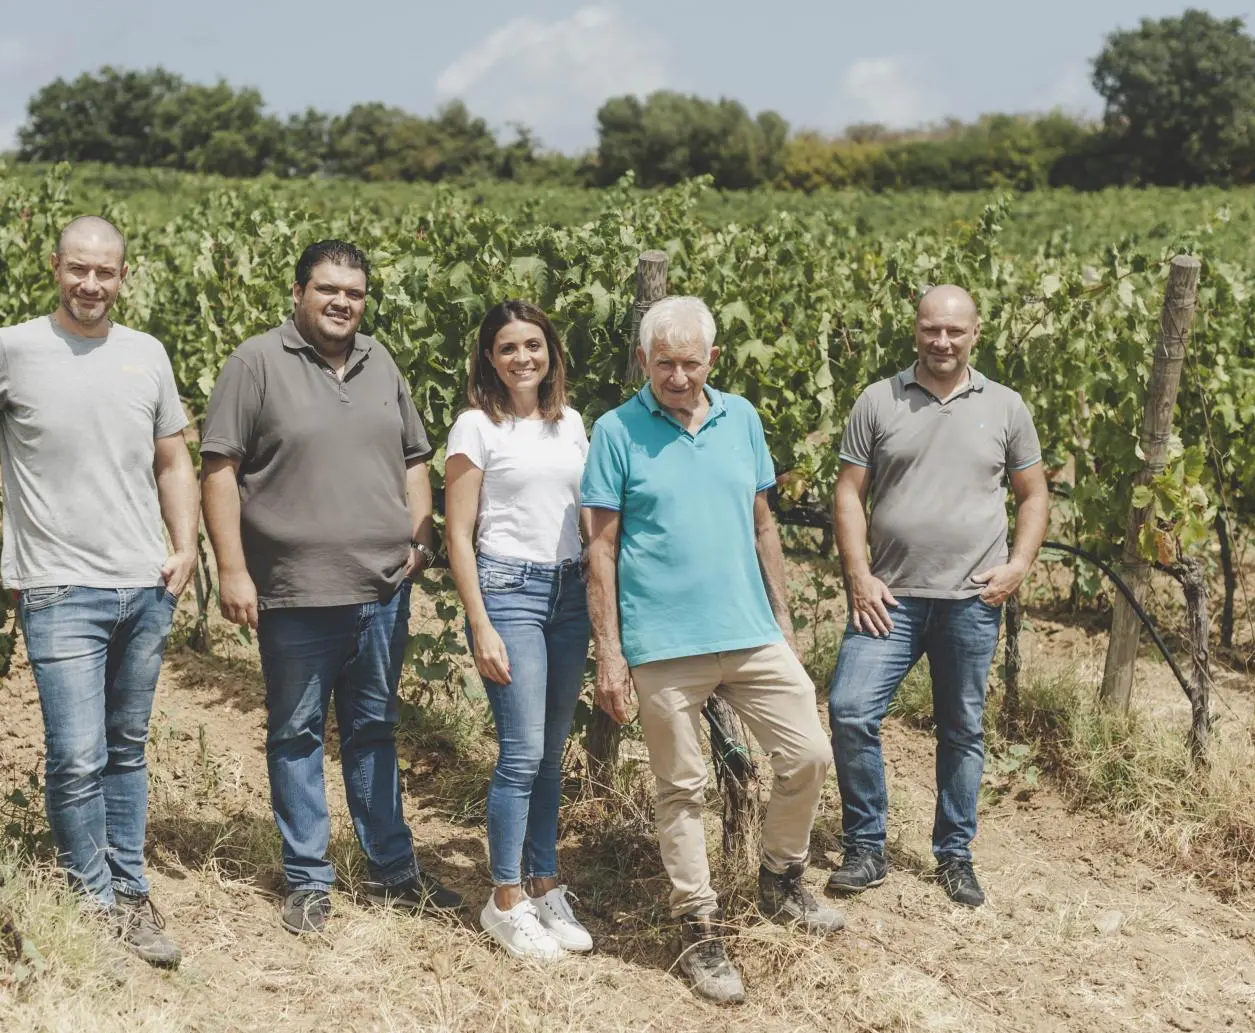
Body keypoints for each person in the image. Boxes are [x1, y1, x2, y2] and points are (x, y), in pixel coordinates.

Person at [0, 216, 196, 969]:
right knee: (76, 753)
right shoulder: (12, 348)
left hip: (144, 583)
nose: (91, 283)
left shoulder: (148, 355)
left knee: (126, 749)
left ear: (123, 276)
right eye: (78, 269)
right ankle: (93, 902)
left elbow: (173, 460)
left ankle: (131, 893)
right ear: (55, 268)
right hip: (58, 586)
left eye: (104, 272)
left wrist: (186, 547)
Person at [581, 295, 843, 1005]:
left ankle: (782, 879)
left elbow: (763, 524)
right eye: (663, 362)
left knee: (810, 753)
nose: (677, 375)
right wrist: (610, 651)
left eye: (690, 363)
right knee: (683, 787)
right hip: (663, 642)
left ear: (712, 362)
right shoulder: (615, 431)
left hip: (750, 629)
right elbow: (599, 548)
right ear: (643, 360)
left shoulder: (743, 418)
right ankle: (700, 926)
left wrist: (784, 620)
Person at [199, 239, 463, 937]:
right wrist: (231, 569)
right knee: (297, 732)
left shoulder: (382, 361)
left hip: (382, 590)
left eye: (354, 291)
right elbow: (219, 469)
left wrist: (419, 535)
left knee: (375, 729)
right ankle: (310, 879)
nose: (343, 301)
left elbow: (414, 456)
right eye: (328, 289)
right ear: (298, 293)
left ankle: (393, 870)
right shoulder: (255, 362)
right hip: (295, 590)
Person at [825, 284, 1049, 909]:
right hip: (888, 600)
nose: (942, 342)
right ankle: (866, 846)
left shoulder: (1006, 407)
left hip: (972, 600)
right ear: (916, 330)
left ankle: (955, 854)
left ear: (976, 333)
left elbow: (1034, 495)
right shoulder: (878, 400)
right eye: (932, 330)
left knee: (962, 728)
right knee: (849, 709)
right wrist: (858, 575)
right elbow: (848, 493)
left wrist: (1020, 564)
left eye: (955, 331)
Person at [444, 301, 592, 961]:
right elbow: (458, 532)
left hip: (568, 594)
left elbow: (585, 515)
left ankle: (543, 878)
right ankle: (503, 897)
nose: (523, 357)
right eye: (508, 347)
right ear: (489, 358)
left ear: (551, 352)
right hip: (510, 592)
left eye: (533, 344)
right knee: (521, 752)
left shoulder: (572, 423)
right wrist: (480, 622)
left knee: (552, 753)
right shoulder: (477, 426)